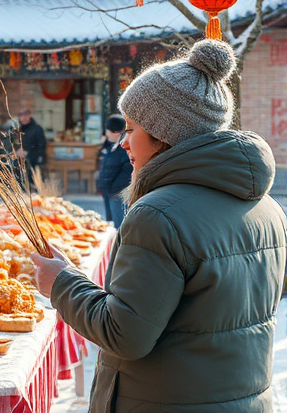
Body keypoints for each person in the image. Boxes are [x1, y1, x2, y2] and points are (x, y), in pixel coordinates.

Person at [31, 40, 287, 413]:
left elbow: (124, 335)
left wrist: (61, 283)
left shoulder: (157, 215)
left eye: (131, 128)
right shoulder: (268, 208)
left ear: (164, 134)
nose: (123, 143)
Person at [96, 114, 133, 227]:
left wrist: (102, 186)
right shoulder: (122, 144)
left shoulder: (120, 148)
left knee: (118, 227)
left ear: (116, 132)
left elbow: (109, 171)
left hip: (117, 192)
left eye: (107, 131)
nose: (106, 134)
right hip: (119, 191)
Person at [15, 109, 46, 187]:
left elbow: (41, 148)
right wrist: (16, 151)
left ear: (29, 115)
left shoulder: (37, 129)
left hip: (33, 160)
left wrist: (27, 153)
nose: (23, 118)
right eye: (21, 115)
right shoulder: (17, 130)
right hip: (18, 160)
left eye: (25, 115)